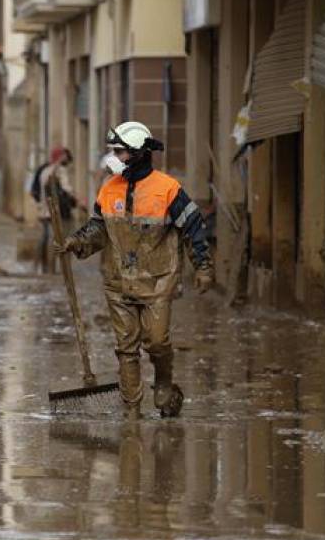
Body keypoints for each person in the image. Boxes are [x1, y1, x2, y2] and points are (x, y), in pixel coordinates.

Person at [56, 120, 214, 419]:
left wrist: (203, 266)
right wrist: (76, 241)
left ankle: (164, 382)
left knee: (156, 341)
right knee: (126, 348)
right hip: (118, 281)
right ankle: (132, 412)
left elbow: (193, 228)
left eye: (120, 152)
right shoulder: (108, 190)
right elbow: (98, 228)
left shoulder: (168, 189)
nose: (114, 158)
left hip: (158, 281)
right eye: (114, 151)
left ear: (139, 153)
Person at [32, 146, 78, 273]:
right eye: (65, 157)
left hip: (45, 211)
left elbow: (37, 190)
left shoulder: (44, 170)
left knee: (47, 238)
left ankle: (43, 267)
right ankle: (62, 269)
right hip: (59, 212)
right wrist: (77, 199)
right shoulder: (60, 171)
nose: (66, 160)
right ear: (60, 157)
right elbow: (67, 189)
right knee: (64, 239)